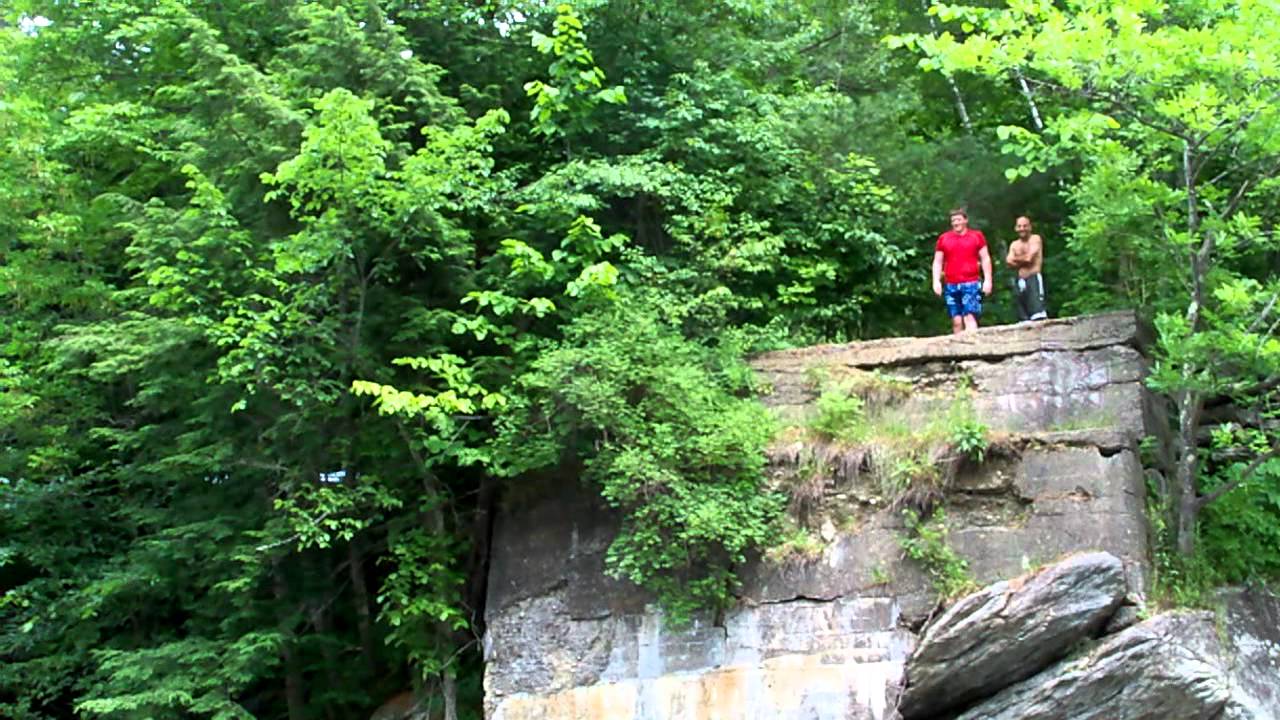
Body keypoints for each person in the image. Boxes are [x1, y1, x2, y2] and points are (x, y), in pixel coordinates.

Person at [932, 208, 993, 334]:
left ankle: (974, 349)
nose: (956, 223)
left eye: (959, 220)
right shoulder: (944, 239)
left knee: (969, 317)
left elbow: (985, 258)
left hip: (971, 282)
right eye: (953, 220)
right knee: (956, 321)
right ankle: (959, 351)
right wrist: (936, 281)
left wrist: (988, 280)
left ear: (966, 220)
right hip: (951, 284)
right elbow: (938, 261)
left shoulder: (976, 236)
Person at [1005, 215, 1048, 321]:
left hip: (1034, 279)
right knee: (1023, 317)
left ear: (1030, 227)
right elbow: (1008, 261)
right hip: (1020, 281)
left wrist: (1016, 259)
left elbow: (1029, 258)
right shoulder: (1014, 244)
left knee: (1038, 314)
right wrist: (1023, 260)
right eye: (1019, 226)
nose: (1022, 229)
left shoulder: (1035, 239)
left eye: (1025, 226)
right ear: (1016, 228)